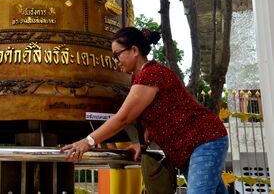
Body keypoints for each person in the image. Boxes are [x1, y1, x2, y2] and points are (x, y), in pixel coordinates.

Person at [61, 27, 229, 194]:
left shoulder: (151, 74)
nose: (115, 60)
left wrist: (88, 141)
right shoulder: (140, 77)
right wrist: (141, 144)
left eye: (117, 54)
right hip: (190, 149)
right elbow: (156, 117)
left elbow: (124, 118)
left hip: (204, 141)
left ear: (134, 50)